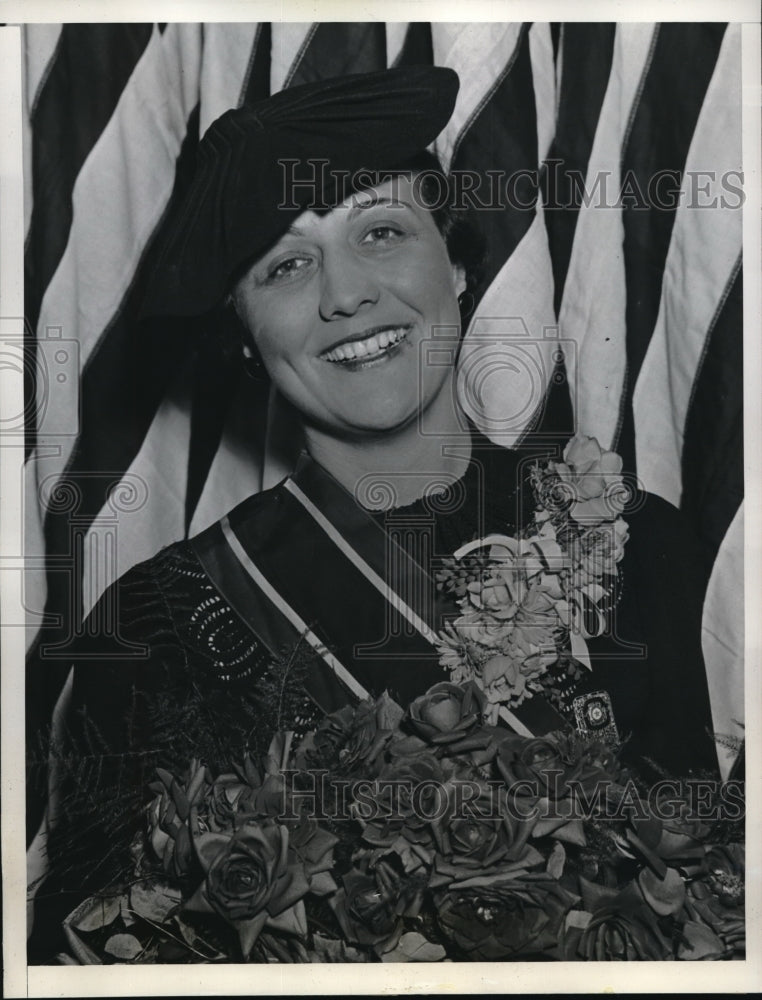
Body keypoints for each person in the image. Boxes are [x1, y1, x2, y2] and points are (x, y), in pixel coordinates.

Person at [27, 66, 719, 961]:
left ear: (460, 263)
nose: (345, 294)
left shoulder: (639, 547)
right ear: (243, 334)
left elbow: (710, 894)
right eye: (285, 265)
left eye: (381, 230)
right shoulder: (157, 619)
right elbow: (85, 955)